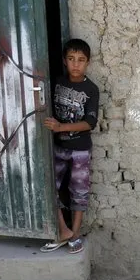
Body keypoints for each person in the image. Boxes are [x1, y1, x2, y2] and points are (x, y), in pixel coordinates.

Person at [41, 39, 99, 254]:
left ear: (88, 63)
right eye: (72, 59)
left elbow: (89, 123)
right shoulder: (56, 83)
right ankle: (63, 230)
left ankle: (74, 233)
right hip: (58, 148)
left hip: (81, 149)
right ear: (65, 61)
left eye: (81, 60)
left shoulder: (91, 89)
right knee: (49, 187)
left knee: (79, 191)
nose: (76, 64)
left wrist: (60, 127)